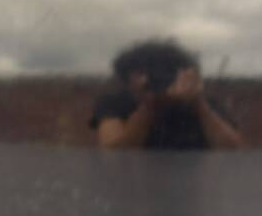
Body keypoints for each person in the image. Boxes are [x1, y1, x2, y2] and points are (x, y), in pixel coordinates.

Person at [90, 38, 244, 151]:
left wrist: (198, 104)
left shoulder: (203, 104)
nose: (153, 78)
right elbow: (114, 153)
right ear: (127, 78)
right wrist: (149, 107)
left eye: (165, 72)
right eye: (142, 72)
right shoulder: (114, 103)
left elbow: (232, 150)